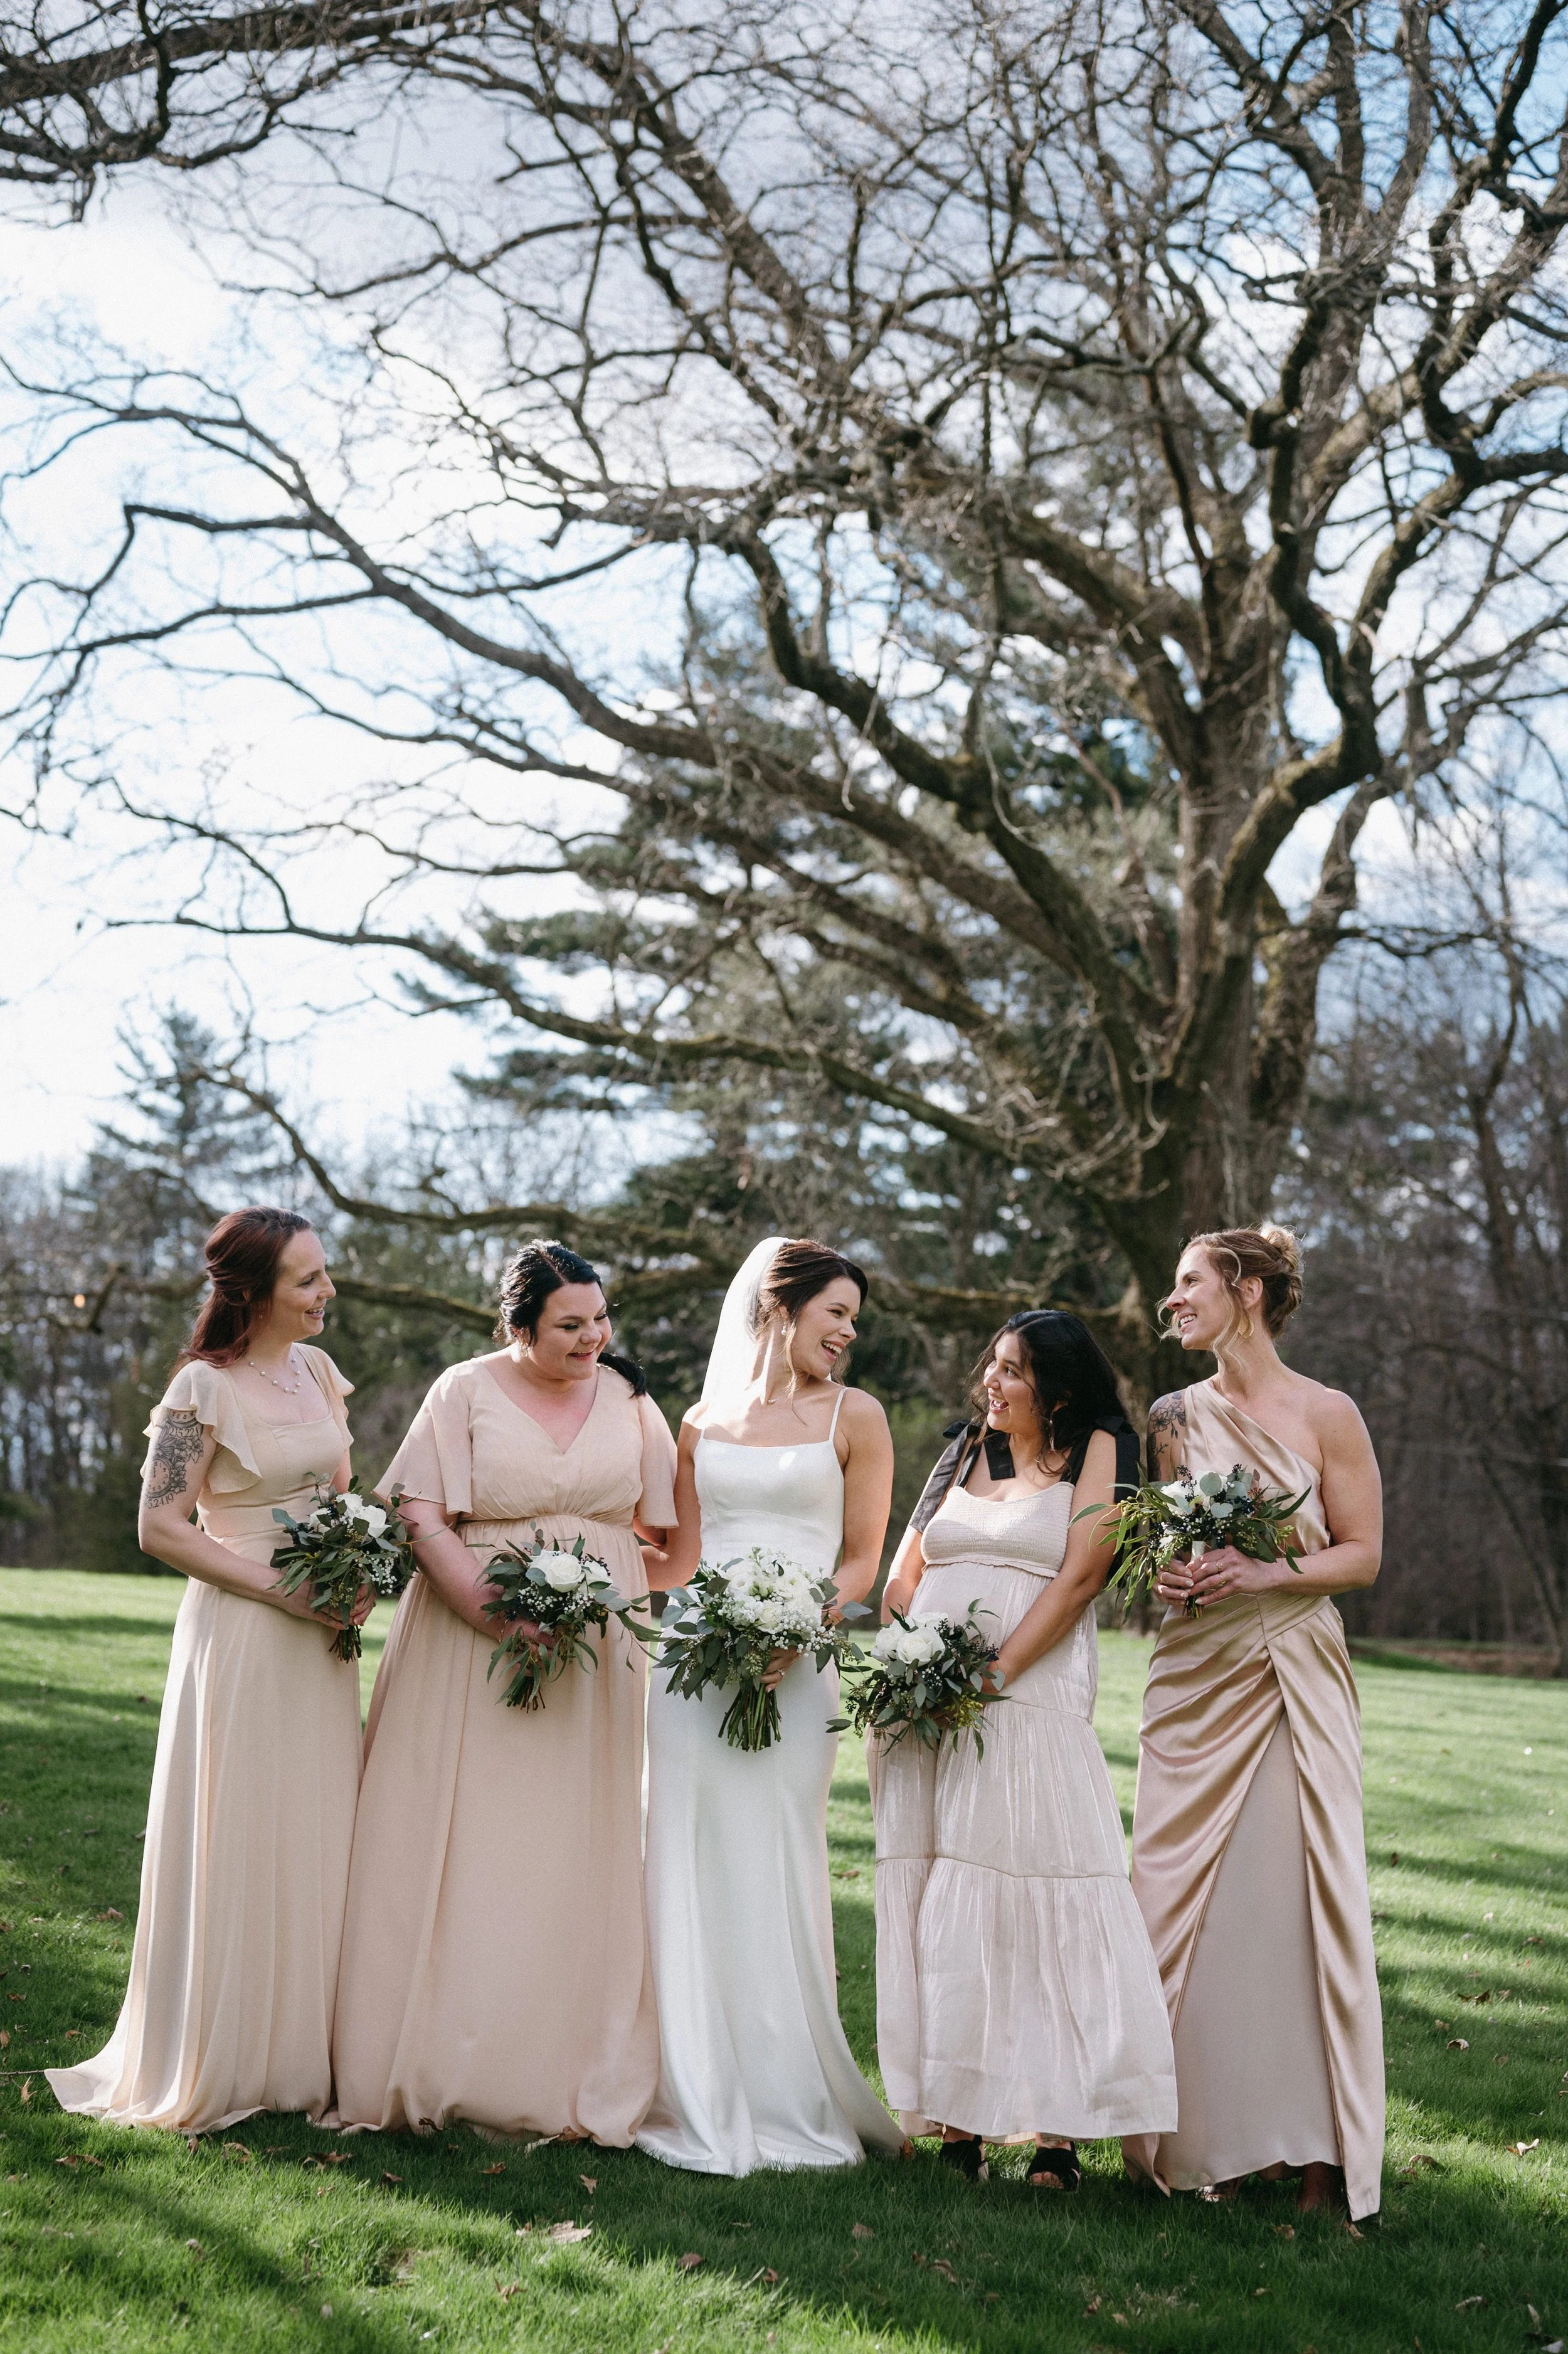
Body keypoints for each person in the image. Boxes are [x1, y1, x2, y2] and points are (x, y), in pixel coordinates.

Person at [329, 1241, 676, 2143]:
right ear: (517, 1327)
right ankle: (445, 2052)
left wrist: (618, 1598)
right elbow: (416, 1510)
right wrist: (490, 1608)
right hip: (468, 1643)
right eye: (569, 1325)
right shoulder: (466, 1390)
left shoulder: (632, 1397)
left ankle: (562, 2061)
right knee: (472, 1835)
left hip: (592, 1657)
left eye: (600, 1320)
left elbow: (665, 1527)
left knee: (571, 1841)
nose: (592, 1338)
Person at [48, 1209, 364, 2132]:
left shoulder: (317, 1372)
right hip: (245, 1634)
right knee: (245, 1829)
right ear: (253, 1293)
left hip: (321, 1633)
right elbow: (158, 1527)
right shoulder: (201, 1389)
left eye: (323, 1274)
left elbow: (339, 1494)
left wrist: (357, 1571)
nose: (326, 1292)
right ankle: (226, 2051)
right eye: (307, 1281)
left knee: (315, 1831)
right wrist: (283, 1590)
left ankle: (306, 2051)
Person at [872, 1310, 1177, 2187]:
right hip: (928, 1708)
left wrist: (995, 1674)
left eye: (1013, 1373)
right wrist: (913, 1667)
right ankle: (957, 2119)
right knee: (939, 1894)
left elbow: (1082, 1577)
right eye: (993, 1367)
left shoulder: (1099, 1453)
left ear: (1061, 1389)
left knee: (1034, 1892)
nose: (992, 1385)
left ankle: (1056, 2132)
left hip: (1026, 1698)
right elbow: (906, 1576)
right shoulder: (965, 1448)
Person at [1123, 1224, 1385, 2219]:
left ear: (1250, 1288)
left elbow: (1360, 1555)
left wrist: (1273, 1571)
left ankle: (1319, 2156)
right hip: (1195, 1676)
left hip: (1291, 1677)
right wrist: (1178, 1576)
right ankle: (1214, 2145)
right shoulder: (1172, 1417)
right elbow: (1161, 1550)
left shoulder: (1329, 1412)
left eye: (1190, 1282)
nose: (1173, 1299)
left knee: (1291, 1907)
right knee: (1191, 1905)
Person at [636, 1236, 904, 2175]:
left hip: (799, 1665)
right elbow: (676, 1558)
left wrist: (808, 1623)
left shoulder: (856, 1416)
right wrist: (584, 1566)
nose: (848, 1334)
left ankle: (784, 2089)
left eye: (853, 1320)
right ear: (782, 1310)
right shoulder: (700, 1419)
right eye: (836, 1314)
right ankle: (685, 2080)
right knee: (683, 1850)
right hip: (690, 1665)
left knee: (775, 1856)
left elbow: (864, 1557)